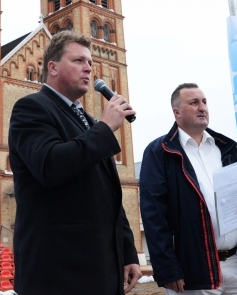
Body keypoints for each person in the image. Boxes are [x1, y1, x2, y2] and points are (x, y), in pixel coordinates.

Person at [8, 31, 141, 295]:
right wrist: (104, 129)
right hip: (59, 272)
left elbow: (109, 193)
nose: (89, 68)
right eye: (79, 61)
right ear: (53, 67)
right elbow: (50, 166)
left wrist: (127, 250)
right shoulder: (31, 108)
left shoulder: (89, 121)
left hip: (102, 269)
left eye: (90, 62)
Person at [140, 83, 237, 294]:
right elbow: (154, 217)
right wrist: (168, 269)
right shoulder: (159, 152)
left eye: (204, 101)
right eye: (194, 102)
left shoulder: (225, 147)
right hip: (194, 267)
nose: (202, 107)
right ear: (176, 112)